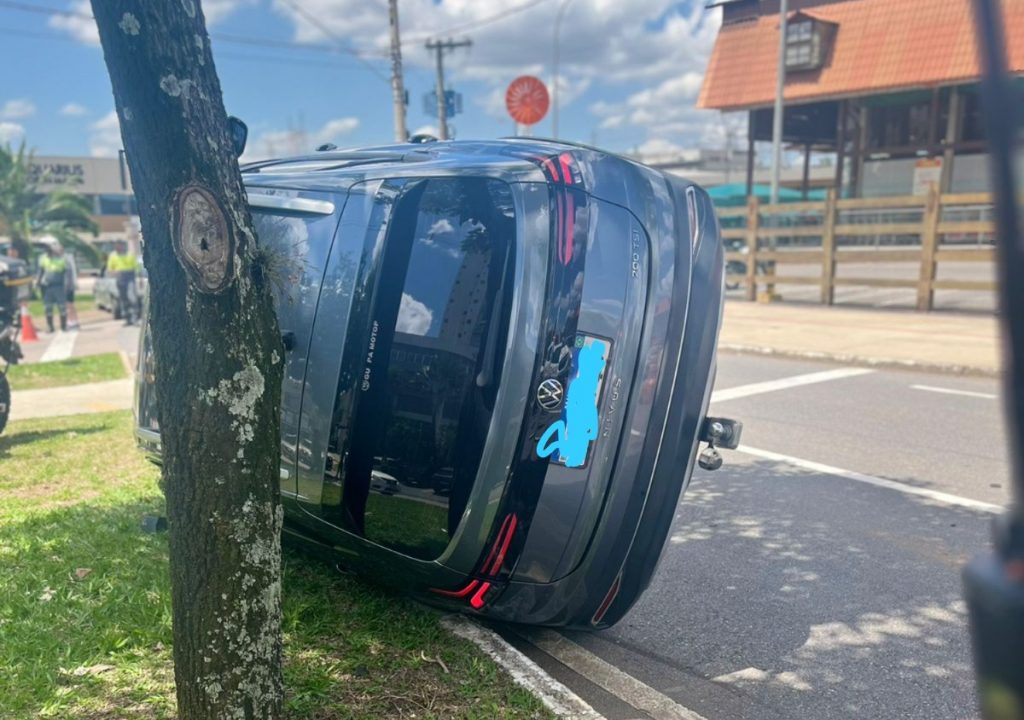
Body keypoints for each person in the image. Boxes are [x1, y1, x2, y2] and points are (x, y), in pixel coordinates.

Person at [36, 244, 69, 333]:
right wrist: (38, 282)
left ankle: (63, 326)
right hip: (47, 287)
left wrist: (67, 285)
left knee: (62, 307)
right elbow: (41, 271)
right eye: (47, 252)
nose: (49, 254)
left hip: (58, 286)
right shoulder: (43, 259)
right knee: (48, 308)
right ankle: (50, 327)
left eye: (50, 252)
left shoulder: (61, 260)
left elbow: (66, 273)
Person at [107, 241, 139, 326]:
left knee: (132, 297)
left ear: (122, 246)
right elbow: (110, 269)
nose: (118, 248)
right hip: (120, 278)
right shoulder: (113, 256)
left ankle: (135, 318)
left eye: (119, 246)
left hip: (130, 277)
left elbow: (136, 268)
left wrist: (140, 280)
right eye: (116, 247)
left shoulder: (129, 254)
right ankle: (128, 319)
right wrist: (114, 272)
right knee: (123, 299)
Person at [60, 245, 80, 330]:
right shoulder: (64, 258)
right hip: (66, 285)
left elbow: (72, 272)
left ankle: (73, 321)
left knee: (69, 304)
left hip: (68, 285)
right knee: (68, 304)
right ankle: (72, 321)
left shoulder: (66, 258)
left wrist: (74, 283)